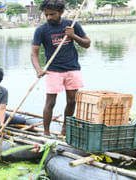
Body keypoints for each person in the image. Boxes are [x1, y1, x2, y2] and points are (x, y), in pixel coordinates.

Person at [31, 0, 91, 136]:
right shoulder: (41, 30)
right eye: (46, 15)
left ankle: (65, 128)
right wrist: (38, 69)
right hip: (53, 70)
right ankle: (46, 133)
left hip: (72, 68)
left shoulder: (72, 25)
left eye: (52, 14)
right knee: (50, 102)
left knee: (71, 101)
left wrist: (73, 35)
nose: (49, 18)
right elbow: (33, 53)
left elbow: (87, 44)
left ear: (61, 12)